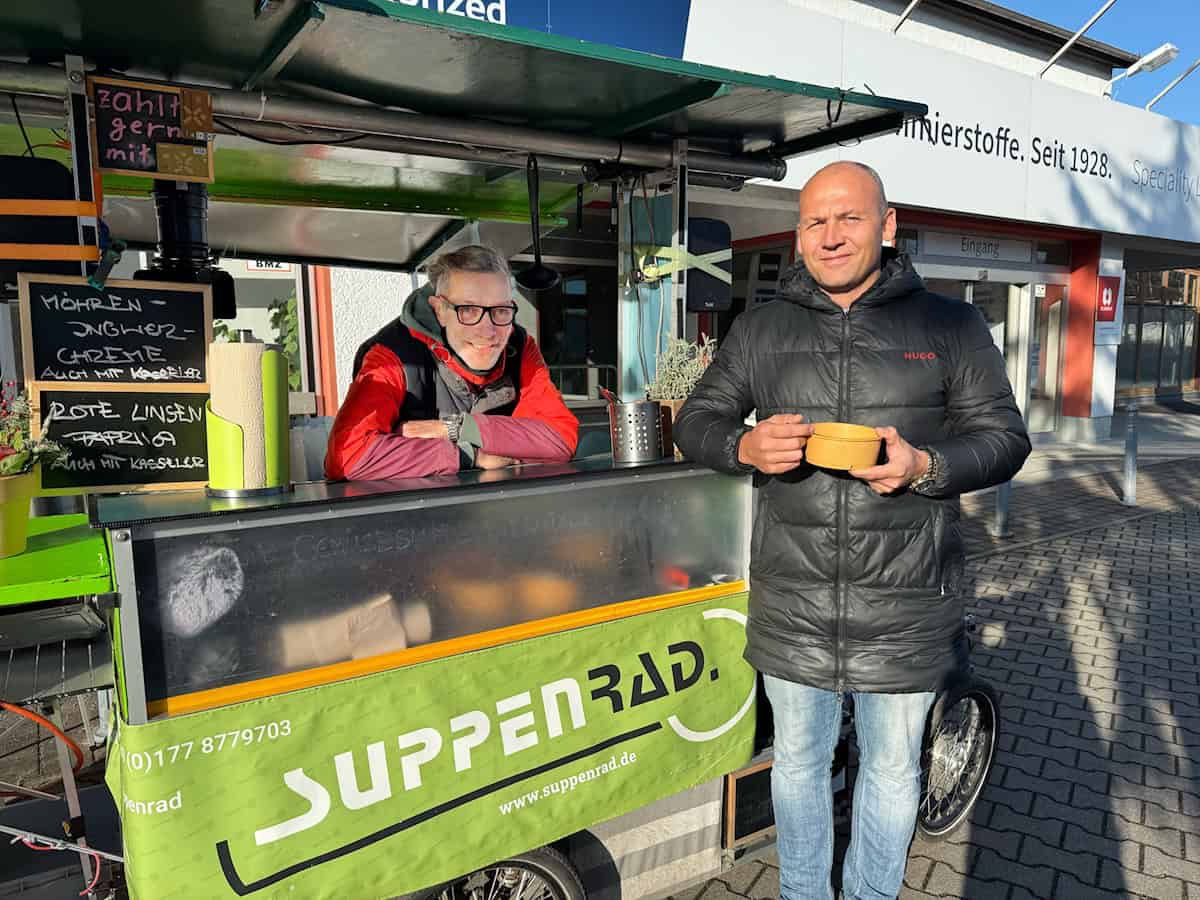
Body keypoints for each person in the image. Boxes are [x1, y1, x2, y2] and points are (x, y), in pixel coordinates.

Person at [673, 161, 1030, 900]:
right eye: (814, 221)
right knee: (798, 765)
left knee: (893, 769)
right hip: (793, 598)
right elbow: (695, 420)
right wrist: (742, 445)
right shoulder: (760, 327)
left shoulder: (951, 324)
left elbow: (1004, 439)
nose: (830, 236)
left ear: (887, 225)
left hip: (905, 602)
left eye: (849, 218)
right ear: (798, 233)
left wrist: (926, 464)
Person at [325, 245, 578, 480]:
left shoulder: (519, 344)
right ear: (439, 310)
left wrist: (455, 429)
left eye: (500, 310)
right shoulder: (392, 355)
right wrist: (469, 455)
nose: (488, 330)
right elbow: (348, 456)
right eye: (468, 310)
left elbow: (561, 439)